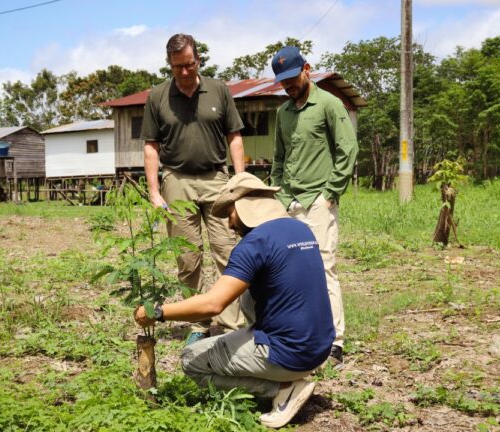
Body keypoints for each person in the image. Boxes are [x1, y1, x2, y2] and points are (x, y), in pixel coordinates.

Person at [134, 172, 334, 429]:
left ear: (243, 206)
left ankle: (282, 389)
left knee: (190, 360)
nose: (229, 224)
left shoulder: (255, 243)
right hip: (320, 348)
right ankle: (279, 371)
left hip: (289, 355)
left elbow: (213, 304)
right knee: (250, 292)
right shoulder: (301, 229)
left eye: (229, 213)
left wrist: (158, 312)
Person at [141, 33, 246, 344]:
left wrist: (240, 183)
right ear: (169, 64)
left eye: (189, 65)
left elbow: (234, 137)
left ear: (198, 60)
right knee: (187, 258)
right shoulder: (158, 96)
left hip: (217, 179)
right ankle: (198, 324)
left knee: (228, 252)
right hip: (177, 180)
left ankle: (231, 325)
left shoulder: (218, 90)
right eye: (177, 67)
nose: (184, 72)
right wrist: (154, 192)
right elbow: (151, 146)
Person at [269, 46, 358, 366]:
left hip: (318, 200)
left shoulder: (329, 104)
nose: (288, 85)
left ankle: (335, 342)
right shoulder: (283, 112)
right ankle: (300, 333)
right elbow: (279, 157)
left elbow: (348, 149)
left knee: (323, 268)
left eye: (292, 78)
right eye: (282, 81)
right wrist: (278, 193)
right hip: (289, 201)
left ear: (306, 69)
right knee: (290, 271)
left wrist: (330, 193)